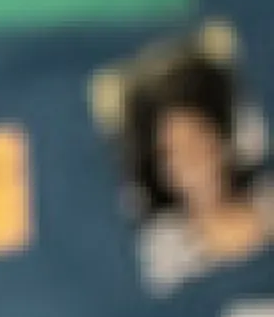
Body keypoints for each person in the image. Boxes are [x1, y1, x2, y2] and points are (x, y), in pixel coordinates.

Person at [112, 26, 272, 295]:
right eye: (169, 153)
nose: (189, 163)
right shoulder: (161, 257)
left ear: (222, 140)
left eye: (196, 141)